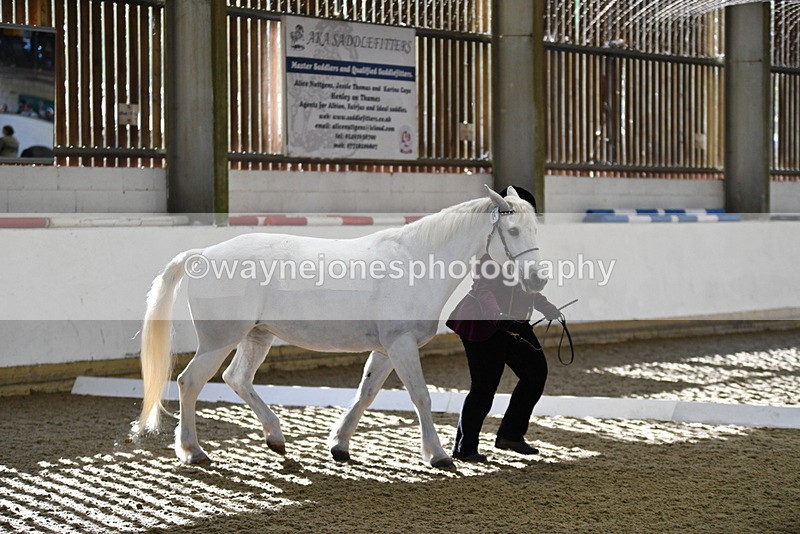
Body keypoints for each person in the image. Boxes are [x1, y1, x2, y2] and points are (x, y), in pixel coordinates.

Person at [447, 186, 561, 462]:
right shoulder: (492, 248)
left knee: (536, 374)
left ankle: (510, 434)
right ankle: (465, 447)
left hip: (514, 324)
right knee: (484, 387)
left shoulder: (521, 248)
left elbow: (526, 284)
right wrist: (497, 315)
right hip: (484, 325)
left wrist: (544, 306)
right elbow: (482, 288)